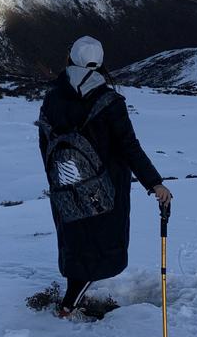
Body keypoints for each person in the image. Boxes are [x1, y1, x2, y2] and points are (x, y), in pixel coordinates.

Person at [38, 35, 172, 318]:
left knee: (74, 235)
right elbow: (129, 147)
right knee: (102, 238)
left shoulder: (52, 97)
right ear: (100, 65)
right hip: (106, 186)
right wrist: (155, 183)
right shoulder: (110, 101)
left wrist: (59, 176)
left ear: (70, 59)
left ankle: (71, 293)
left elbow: (45, 142)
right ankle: (72, 298)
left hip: (65, 180)